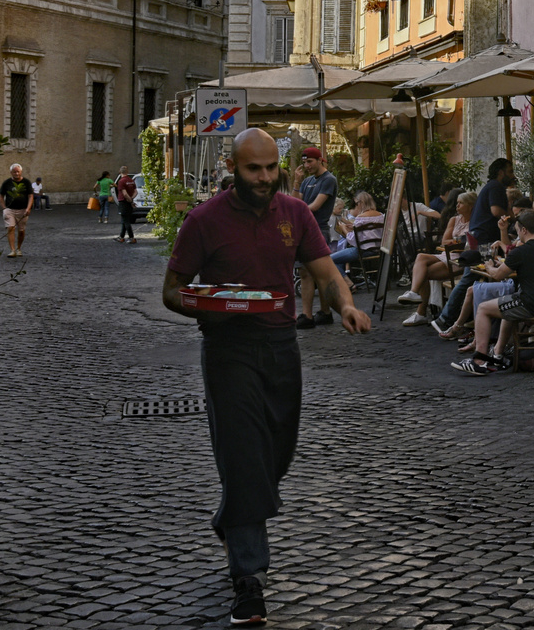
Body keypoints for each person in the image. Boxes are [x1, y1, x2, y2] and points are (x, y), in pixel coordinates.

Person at [161, 127, 370, 625]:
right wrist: (207, 307)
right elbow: (171, 291)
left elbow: (326, 271)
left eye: (272, 167)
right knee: (244, 455)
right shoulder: (204, 220)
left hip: (281, 347)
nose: (265, 177)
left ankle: (231, 518)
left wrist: (346, 305)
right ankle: (249, 579)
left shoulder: (295, 214)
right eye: (254, 169)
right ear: (234, 168)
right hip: (228, 349)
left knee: (274, 454)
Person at [452, 209, 534, 375]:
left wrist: (489, 265)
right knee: (507, 303)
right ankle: (497, 353)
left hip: (533, 304)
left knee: (483, 308)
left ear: (524, 230)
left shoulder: (520, 252)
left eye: (517, 230)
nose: (517, 234)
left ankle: (479, 360)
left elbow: (497, 275)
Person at [396, 190, 477, 325]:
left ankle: (420, 311)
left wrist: (455, 242)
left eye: (461, 203)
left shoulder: (475, 222)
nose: (457, 206)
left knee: (423, 273)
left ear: (470, 206)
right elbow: (444, 241)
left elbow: (470, 243)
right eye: (457, 203)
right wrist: (457, 241)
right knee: (421, 257)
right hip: (448, 254)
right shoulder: (454, 219)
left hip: (461, 258)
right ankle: (414, 293)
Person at [295, 148, 338, 329]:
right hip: (304, 230)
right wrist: (296, 182)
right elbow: (294, 203)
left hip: (318, 229)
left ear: (320, 160)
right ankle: (307, 314)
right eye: (304, 162)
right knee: (305, 273)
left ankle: (325, 312)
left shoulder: (329, 180)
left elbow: (314, 206)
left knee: (320, 274)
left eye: (310, 162)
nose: (307, 166)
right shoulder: (306, 181)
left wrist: (297, 210)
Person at [330, 191, 384, 271]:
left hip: (362, 251)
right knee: (338, 259)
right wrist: (354, 227)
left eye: (356, 204)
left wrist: (343, 228)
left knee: (330, 259)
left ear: (360, 203)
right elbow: (371, 231)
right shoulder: (381, 216)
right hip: (378, 250)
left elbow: (353, 240)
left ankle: (347, 282)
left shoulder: (361, 218)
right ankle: (345, 281)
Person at [470, 158, 513, 249]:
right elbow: (496, 211)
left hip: (479, 235)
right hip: (485, 237)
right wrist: (512, 218)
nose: (513, 176)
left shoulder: (492, 186)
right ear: (501, 173)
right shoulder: (496, 186)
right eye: (510, 172)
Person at [0, 163, 34, 257]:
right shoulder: (7, 183)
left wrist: (28, 208)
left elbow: (30, 196)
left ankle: (19, 248)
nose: (16, 174)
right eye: (14, 172)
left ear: (21, 172)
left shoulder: (26, 182)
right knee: (11, 228)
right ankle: (12, 250)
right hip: (10, 209)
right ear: (11, 172)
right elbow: (1, 196)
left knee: (21, 230)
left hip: (23, 210)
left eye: (18, 172)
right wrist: (4, 208)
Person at [114, 169, 139, 244]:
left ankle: (132, 237)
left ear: (120, 172)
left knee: (126, 221)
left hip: (123, 202)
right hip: (129, 202)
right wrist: (131, 199)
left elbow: (124, 193)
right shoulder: (131, 180)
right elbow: (136, 192)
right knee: (124, 220)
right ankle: (121, 237)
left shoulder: (121, 181)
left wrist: (129, 200)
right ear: (127, 172)